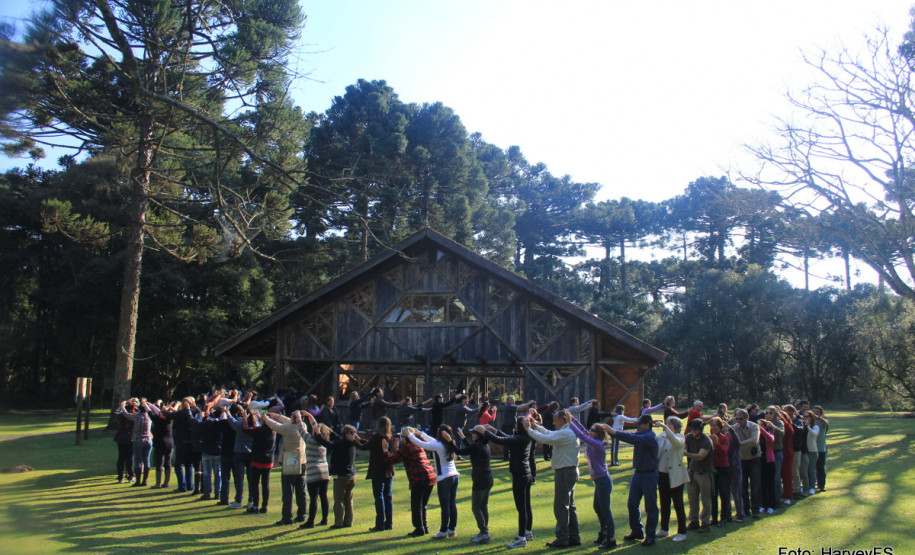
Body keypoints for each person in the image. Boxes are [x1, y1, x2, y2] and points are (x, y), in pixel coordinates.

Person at [525, 408, 581, 548]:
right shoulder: (568, 431)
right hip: (570, 471)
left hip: (564, 473)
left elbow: (546, 439)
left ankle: (562, 538)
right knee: (570, 506)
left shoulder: (566, 433)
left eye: (555, 420)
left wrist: (528, 430)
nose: (554, 423)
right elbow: (551, 433)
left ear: (562, 420)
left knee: (561, 507)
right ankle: (574, 537)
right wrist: (536, 426)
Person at [607, 414, 659, 547]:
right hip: (638, 474)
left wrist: (614, 431)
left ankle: (650, 535)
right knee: (632, 504)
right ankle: (637, 531)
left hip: (649, 475)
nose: (638, 426)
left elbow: (632, 438)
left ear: (648, 424)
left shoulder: (649, 437)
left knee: (650, 507)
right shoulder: (640, 434)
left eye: (641, 424)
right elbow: (632, 436)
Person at [483, 418, 534, 548]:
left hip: (520, 475)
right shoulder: (525, 437)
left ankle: (522, 538)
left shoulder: (519, 439)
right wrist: (494, 430)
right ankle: (527, 532)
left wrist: (484, 431)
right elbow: (507, 438)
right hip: (526, 474)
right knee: (526, 505)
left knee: (521, 507)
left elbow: (499, 441)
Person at [570, 417, 615, 550]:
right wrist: (573, 419)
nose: (590, 431)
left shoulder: (597, 444)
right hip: (599, 480)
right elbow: (583, 431)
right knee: (597, 507)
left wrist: (569, 424)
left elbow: (581, 435)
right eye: (591, 429)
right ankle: (604, 531)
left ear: (599, 434)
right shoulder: (592, 441)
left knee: (605, 510)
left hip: (603, 480)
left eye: (593, 431)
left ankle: (611, 538)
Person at [410, 425, 461, 539]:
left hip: (445, 478)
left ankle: (443, 531)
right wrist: (420, 434)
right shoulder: (449, 443)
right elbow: (431, 440)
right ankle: (451, 529)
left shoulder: (438, 446)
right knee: (452, 503)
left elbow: (422, 444)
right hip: (454, 476)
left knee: (445, 505)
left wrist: (409, 435)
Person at [386, 426, 437, 537]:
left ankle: (419, 528)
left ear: (405, 438)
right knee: (422, 504)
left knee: (416, 505)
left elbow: (392, 460)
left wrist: (385, 451)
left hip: (419, 477)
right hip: (431, 476)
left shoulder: (407, 447)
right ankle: (424, 526)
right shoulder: (418, 445)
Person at [311, 424, 362, 529]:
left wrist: (319, 434)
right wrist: (331, 431)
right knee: (348, 500)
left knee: (338, 501)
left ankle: (338, 523)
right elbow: (338, 439)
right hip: (352, 475)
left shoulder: (340, 444)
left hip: (342, 476)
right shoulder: (352, 444)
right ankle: (349, 522)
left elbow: (328, 444)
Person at [262, 410, 307, 526]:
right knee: (301, 489)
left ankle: (287, 517)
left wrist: (266, 418)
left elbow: (275, 426)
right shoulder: (303, 426)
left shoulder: (288, 428)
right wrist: (276, 415)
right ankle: (302, 514)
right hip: (302, 460)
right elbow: (287, 421)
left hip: (290, 460)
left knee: (288, 490)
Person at [455, 425, 494, 544]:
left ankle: (484, 532)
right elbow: (471, 448)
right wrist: (463, 438)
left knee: (476, 507)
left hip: (480, 479)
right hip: (488, 478)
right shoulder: (484, 444)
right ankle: (484, 531)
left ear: (478, 435)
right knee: (483, 506)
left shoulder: (477, 446)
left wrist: (449, 442)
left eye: (473, 433)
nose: (472, 434)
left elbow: (460, 451)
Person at [358, 416, 396, 531]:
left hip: (378, 470)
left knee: (379, 496)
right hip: (389, 469)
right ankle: (389, 523)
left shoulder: (377, 437)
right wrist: (358, 438)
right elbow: (369, 444)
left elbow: (365, 447)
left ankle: (380, 524)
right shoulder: (391, 438)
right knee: (388, 496)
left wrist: (354, 440)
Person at [655, 416, 689, 542]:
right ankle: (664, 529)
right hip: (662, 475)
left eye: (669, 424)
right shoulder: (661, 437)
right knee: (664, 503)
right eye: (666, 424)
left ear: (675, 426)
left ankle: (682, 531)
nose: (666, 426)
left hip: (675, 476)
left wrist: (664, 428)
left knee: (678, 504)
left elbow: (675, 442)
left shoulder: (680, 437)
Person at [684, 419, 714, 532]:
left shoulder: (706, 441)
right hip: (692, 471)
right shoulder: (688, 437)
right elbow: (683, 444)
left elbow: (700, 456)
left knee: (706, 499)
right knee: (692, 498)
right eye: (692, 429)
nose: (693, 431)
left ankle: (705, 522)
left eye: (695, 430)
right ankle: (694, 521)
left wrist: (686, 453)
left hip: (704, 472)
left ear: (700, 430)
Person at [245, 410, 276, 514]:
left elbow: (246, 429)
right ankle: (264, 505)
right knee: (265, 484)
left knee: (254, 484)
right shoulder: (273, 432)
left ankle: (255, 505)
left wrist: (245, 418)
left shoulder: (258, 431)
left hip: (257, 460)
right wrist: (259, 417)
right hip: (268, 461)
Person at [732, 408, 761, 518]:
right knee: (742, 486)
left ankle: (755, 509)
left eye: (741, 419)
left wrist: (739, 443)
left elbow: (754, 440)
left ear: (746, 418)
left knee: (755, 486)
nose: (738, 421)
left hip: (754, 460)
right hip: (741, 460)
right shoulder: (734, 428)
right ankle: (745, 509)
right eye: (737, 418)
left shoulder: (754, 426)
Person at [707, 417, 731, 527]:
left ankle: (724, 517)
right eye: (712, 426)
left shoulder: (724, 438)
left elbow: (723, 453)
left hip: (723, 468)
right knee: (713, 494)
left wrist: (717, 443)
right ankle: (714, 518)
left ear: (720, 427)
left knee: (724, 493)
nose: (713, 428)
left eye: (715, 425)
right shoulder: (708, 438)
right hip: (713, 468)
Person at [113, 401, 136, 483]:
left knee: (121, 458)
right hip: (131, 438)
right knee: (130, 458)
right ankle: (131, 476)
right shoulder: (134, 416)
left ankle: (120, 477)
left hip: (121, 438)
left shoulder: (121, 416)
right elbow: (142, 411)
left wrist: (121, 405)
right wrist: (136, 405)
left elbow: (116, 412)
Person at [812, 406, 829, 492]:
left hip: (821, 448)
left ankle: (821, 485)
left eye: (817, 412)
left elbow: (826, 423)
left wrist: (818, 418)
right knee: (811, 468)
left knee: (820, 468)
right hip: (811, 448)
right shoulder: (810, 421)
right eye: (814, 412)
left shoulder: (822, 422)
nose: (815, 413)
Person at [803, 411, 820, 496]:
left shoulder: (815, 427)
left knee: (812, 470)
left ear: (811, 418)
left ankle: (812, 487)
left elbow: (814, 435)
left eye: (807, 417)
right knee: (804, 470)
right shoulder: (802, 426)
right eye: (804, 416)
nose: (805, 418)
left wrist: (808, 427)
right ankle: (805, 486)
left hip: (812, 451)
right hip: (804, 451)